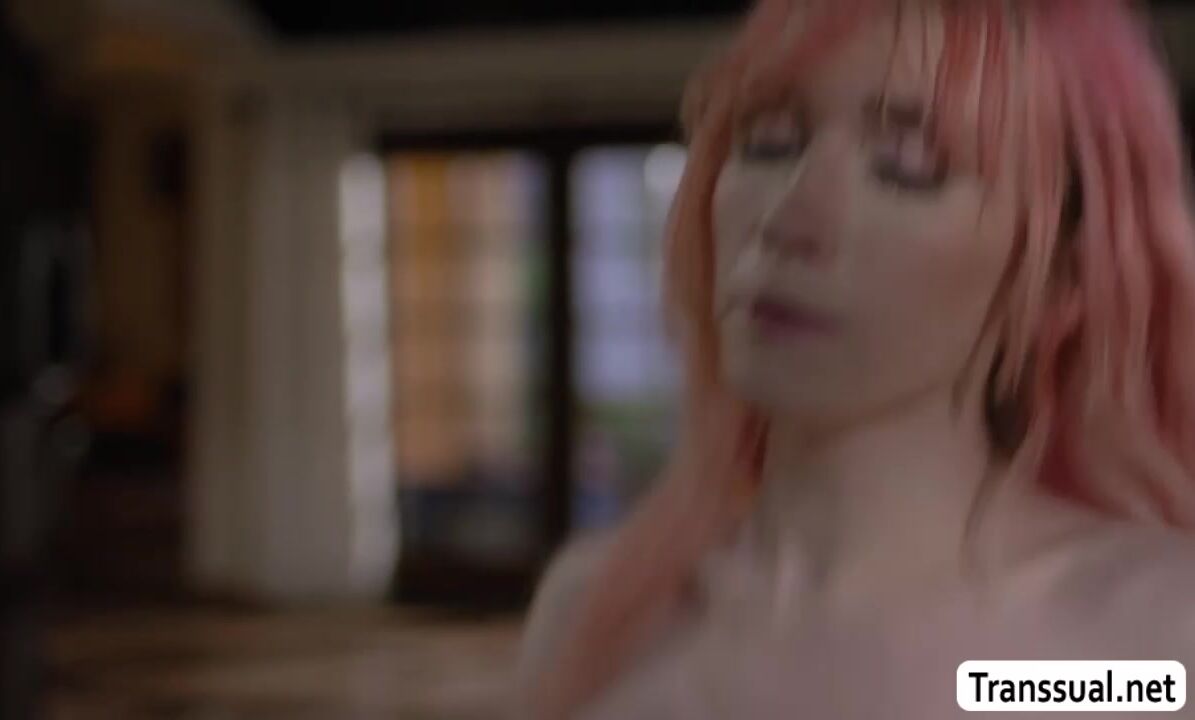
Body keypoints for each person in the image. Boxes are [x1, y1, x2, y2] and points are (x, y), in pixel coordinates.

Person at [518, 0, 1195, 717]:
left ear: (1064, 276)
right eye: (768, 143)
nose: (790, 216)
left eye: (907, 167)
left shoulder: (1144, 641)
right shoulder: (596, 612)